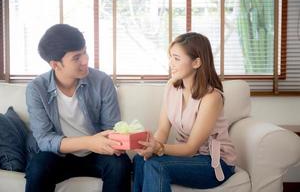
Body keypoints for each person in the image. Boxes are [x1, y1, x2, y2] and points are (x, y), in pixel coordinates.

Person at [25, 24, 131, 192]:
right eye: (76, 58)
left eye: (85, 52)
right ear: (55, 64)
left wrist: (115, 141)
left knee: (120, 164)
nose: (85, 60)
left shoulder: (102, 81)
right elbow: (44, 140)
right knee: (38, 167)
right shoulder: (36, 89)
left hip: (97, 154)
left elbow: (111, 126)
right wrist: (89, 142)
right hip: (59, 156)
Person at [133, 32, 236, 192]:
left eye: (177, 58)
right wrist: (150, 147)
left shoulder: (212, 98)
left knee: (156, 165)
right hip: (185, 157)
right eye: (170, 57)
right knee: (141, 160)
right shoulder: (171, 86)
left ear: (196, 62)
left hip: (212, 162)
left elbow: (191, 148)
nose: (171, 63)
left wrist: (159, 148)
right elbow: (162, 130)